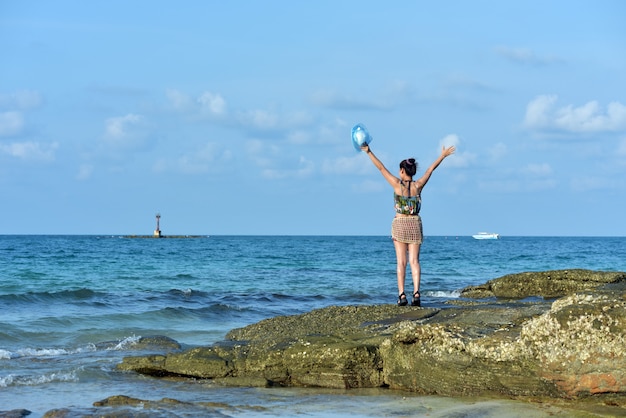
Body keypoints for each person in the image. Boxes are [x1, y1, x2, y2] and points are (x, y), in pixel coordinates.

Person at [361, 143, 456, 306]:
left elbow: (381, 168)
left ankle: (402, 295)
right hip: (415, 223)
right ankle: (417, 294)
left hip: (400, 224)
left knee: (401, 262)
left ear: (402, 171)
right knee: (414, 261)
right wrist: (442, 156)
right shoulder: (418, 186)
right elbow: (430, 170)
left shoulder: (397, 185)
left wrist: (369, 152)